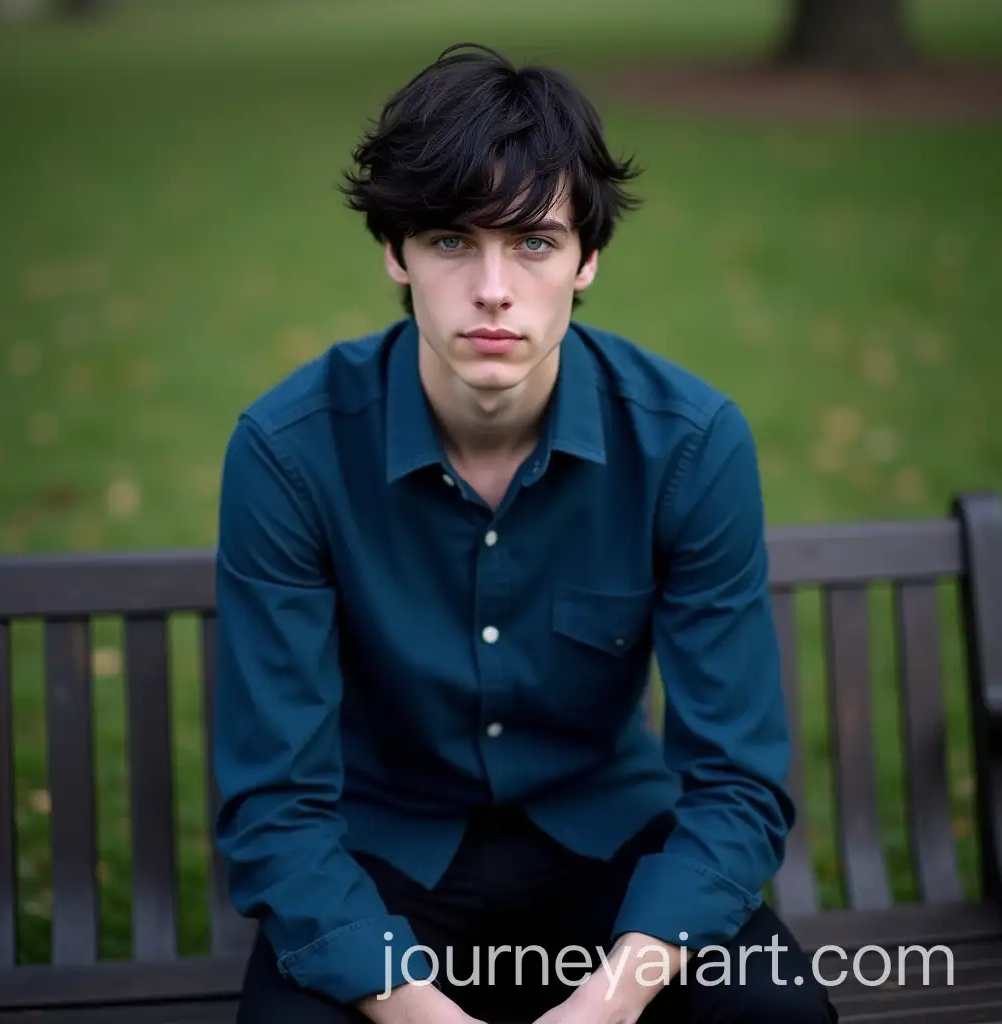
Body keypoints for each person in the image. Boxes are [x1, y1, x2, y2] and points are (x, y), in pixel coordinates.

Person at [214, 42, 838, 1024]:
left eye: (535, 243)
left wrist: (612, 998)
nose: (493, 288)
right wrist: (415, 1010)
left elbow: (735, 780)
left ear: (587, 259)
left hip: (609, 838)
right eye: (451, 240)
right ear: (395, 252)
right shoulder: (289, 452)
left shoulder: (688, 444)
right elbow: (273, 803)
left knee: (773, 1015)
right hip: (384, 853)